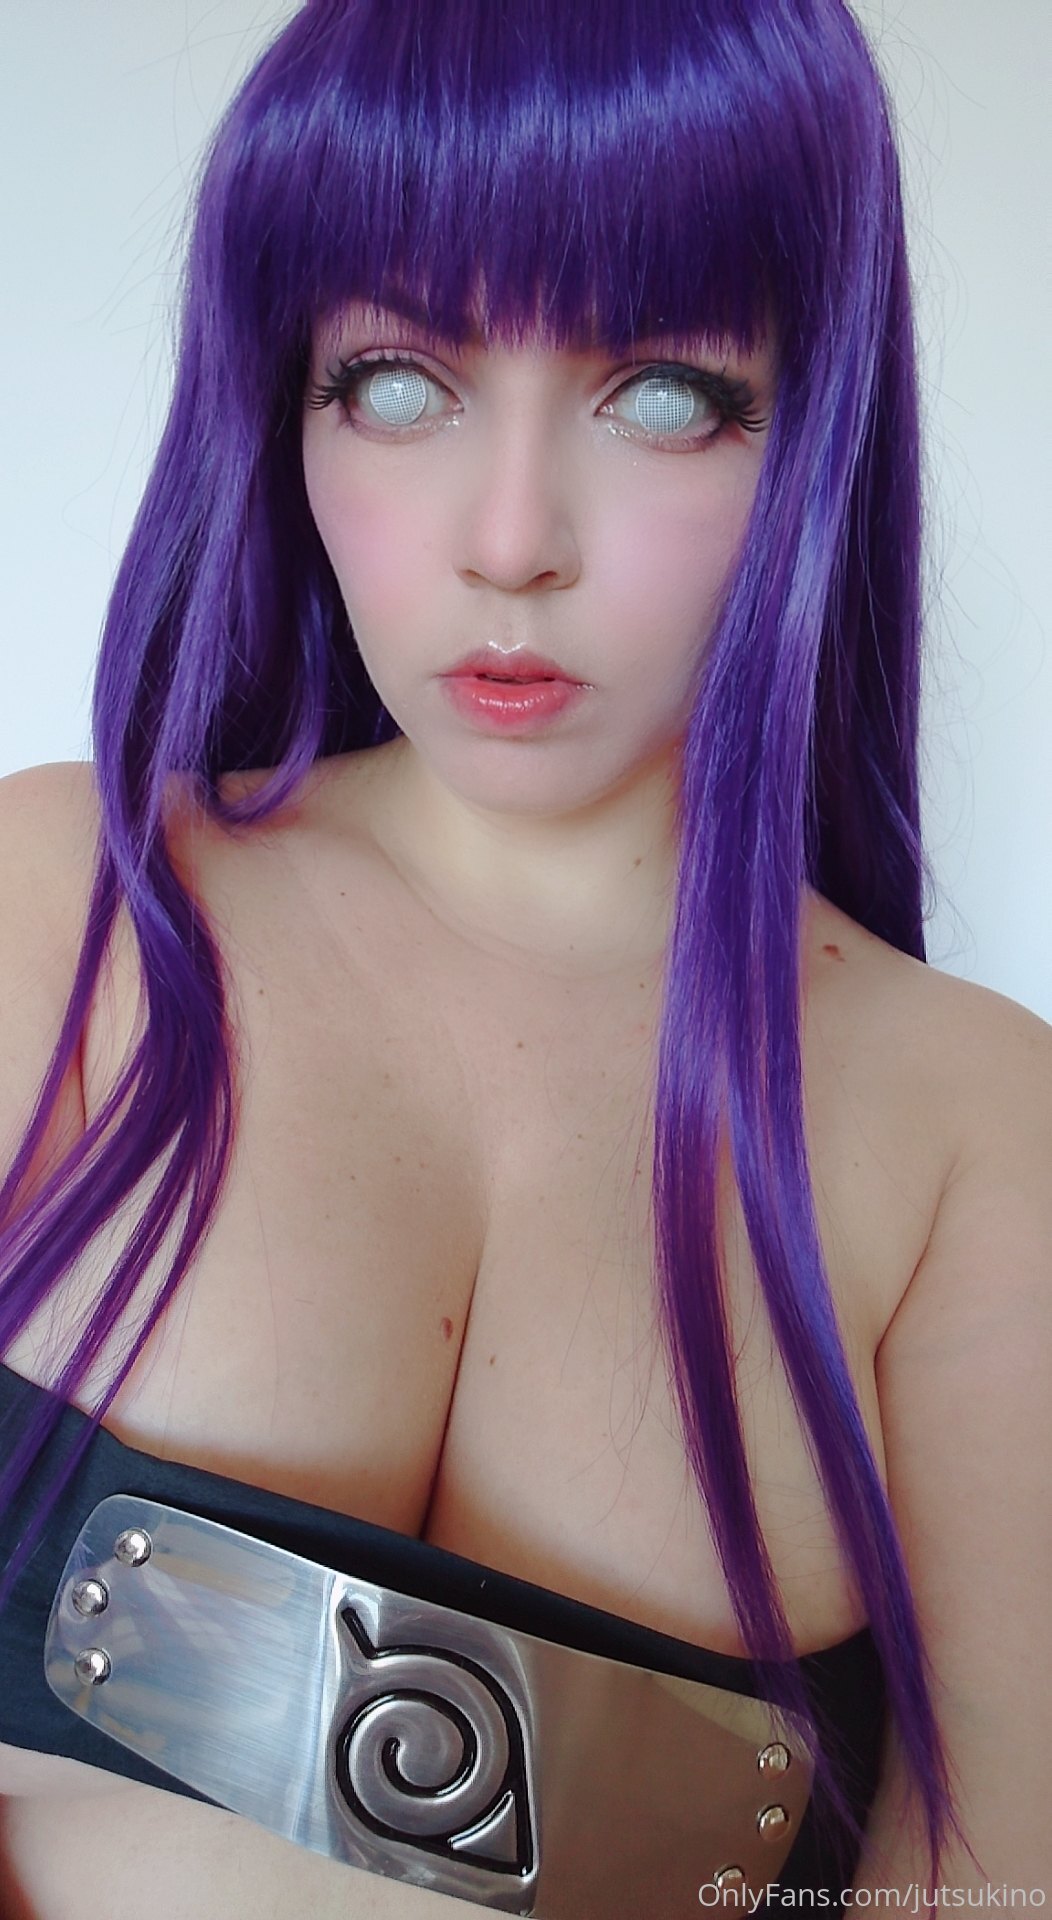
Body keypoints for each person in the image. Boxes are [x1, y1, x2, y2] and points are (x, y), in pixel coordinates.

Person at [0, 0, 1049, 1914]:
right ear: (284, 403)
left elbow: (997, 1872)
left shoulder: (976, 1128)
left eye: (661, 393)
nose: (511, 542)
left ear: (813, 426)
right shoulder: (57, 900)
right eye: (399, 381)